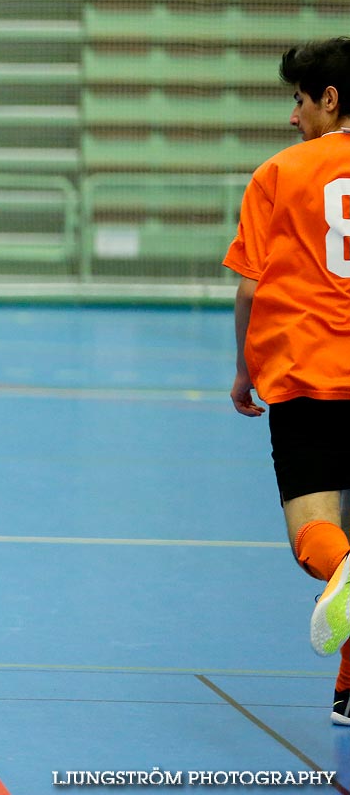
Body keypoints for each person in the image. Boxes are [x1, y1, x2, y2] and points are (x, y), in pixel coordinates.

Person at [226, 37, 350, 725]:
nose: (291, 116)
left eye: (299, 100)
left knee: (318, 540)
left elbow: (249, 292)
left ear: (329, 99)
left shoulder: (280, 173)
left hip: (308, 374)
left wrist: (244, 371)